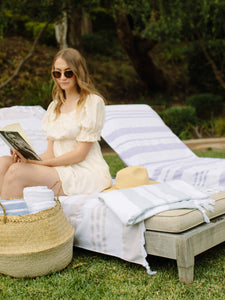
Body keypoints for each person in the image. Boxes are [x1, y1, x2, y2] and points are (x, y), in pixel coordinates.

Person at [0, 48, 112, 199]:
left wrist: (37, 164)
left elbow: (79, 155)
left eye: (68, 73)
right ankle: (5, 216)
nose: (62, 78)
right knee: (4, 162)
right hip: (58, 168)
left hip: (83, 171)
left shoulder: (92, 103)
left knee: (17, 172)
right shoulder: (54, 107)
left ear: (78, 72)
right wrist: (25, 156)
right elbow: (50, 153)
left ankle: (9, 221)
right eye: (57, 73)